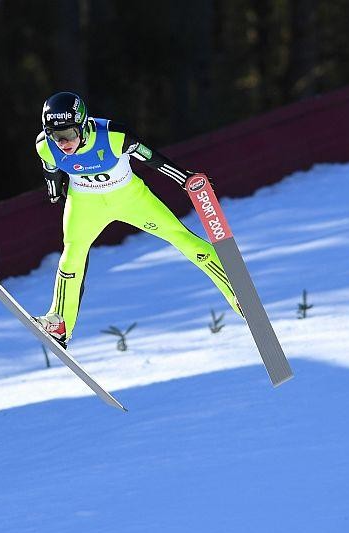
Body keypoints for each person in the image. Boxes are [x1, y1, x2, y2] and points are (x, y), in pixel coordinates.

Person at [34, 91, 242, 348]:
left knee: (179, 236)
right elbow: (50, 169)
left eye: (69, 134)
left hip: (130, 197)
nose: (63, 143)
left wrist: (184, 179)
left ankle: (236, 291)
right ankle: (60, 323)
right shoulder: (45, 145)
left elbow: (151, 158)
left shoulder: (114, 136)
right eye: (57, 136)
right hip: (85, 203)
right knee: (73, 253)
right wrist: (54, 192)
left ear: (84, 125)